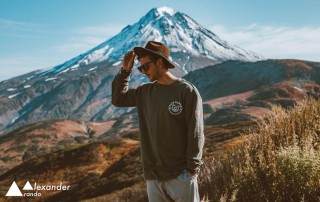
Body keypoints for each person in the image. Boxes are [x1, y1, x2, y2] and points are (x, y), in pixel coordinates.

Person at [112, 41, 204, 202]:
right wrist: (125, 71)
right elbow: (118, 99)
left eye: (145, 67)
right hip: (153, 178)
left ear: (160, 62)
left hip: (181, 176)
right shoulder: (144, 92)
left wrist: (191, 171)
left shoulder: (187, 91)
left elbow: (195, 132)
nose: (143, 72)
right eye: (140, 68)